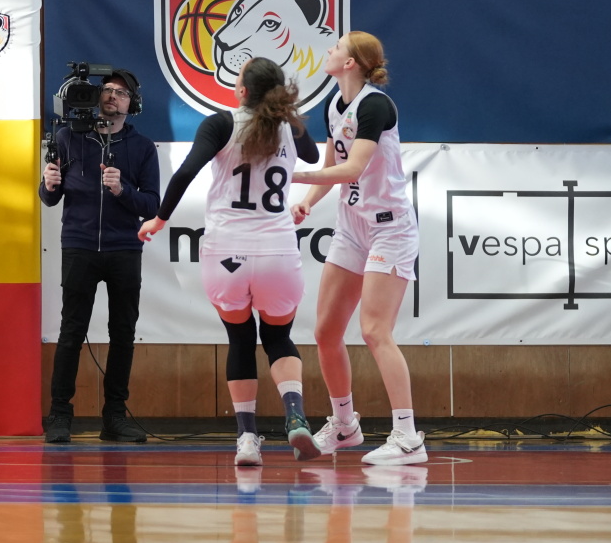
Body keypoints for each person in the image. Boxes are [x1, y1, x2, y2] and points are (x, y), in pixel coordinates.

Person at [141, 58, 321, 466]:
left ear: (241, 91)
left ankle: (247, 439)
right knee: (278, 339)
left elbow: (186, 172)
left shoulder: (221, 123)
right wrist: (289, 116)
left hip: (227, 253)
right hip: (277, 252)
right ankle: (295, 416)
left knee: (240, 340)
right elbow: (311, 155)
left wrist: (159, 219)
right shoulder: (289, 127)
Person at [290, 32, 425, 466]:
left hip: (390, 229)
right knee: (326, 331)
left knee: (374, 330)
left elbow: (354, 167)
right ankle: (345, 425)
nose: (329, 51)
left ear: (351, 63)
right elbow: (332, 167)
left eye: (336, 47)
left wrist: (289, 174)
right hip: (351, 228)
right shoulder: (334, 104)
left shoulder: (375, 105)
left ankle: (408, 437)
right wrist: (307, 201)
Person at [39, 70, 158, 444]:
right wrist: (48, 185)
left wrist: (122, 190)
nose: (112, 96)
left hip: (124, 249)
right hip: (79, 246)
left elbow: (152, 205)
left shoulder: (143, 147)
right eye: (107, 90)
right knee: (71, 332)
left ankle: (115, 417)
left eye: (121, 93)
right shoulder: (67, 137)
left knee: (123, 333)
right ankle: (60, 416)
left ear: (132, 104)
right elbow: (49, 198)